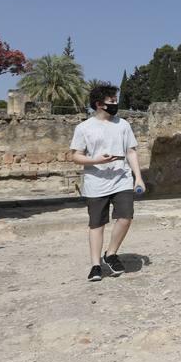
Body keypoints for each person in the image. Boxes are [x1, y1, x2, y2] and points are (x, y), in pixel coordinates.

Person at [70, 83, 145, 282]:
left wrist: (138, 177)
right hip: (96, 182)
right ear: (99, 104)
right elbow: (76, 156)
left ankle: (110, 254)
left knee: (125, 217)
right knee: (97, 224)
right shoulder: (83, 128)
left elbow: (131, 151)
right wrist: (96, 160)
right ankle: (96, 265)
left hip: (122, 179)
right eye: (111, 101)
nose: (115, 104)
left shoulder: (123, 125)